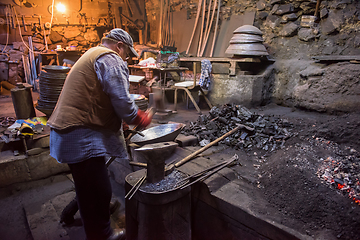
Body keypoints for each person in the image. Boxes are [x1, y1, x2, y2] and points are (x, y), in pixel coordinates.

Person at [47, 28, 152, 240]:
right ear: (119, 46)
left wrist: (118, 121)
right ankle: (101, 235)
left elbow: (98, 96)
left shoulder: (92, 53)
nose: (126, 58)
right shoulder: (110, 58)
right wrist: (138, 118)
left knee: (89, 185)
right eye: (126, 53)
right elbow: (122, 100)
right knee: (96, 191)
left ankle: (84, 217)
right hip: (78, 134)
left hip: (71, 131)